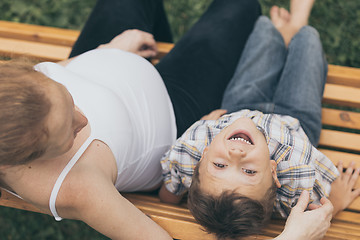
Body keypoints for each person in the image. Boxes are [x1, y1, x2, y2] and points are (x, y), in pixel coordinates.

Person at [0, 0, 338, 239]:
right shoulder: (74, 187)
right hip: (172, 108)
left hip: (115, 58)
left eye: (67, 96)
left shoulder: (11, 94)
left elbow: (53, 83)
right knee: (240, 6)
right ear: (34, 155)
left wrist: (102, 54)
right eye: (69, 133)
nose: (82, 118)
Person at [159, 0, 360, 239]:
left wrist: (204, 123)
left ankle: (282, 33)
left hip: (241, 105)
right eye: (249, 172)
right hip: (296, 119)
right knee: (308, 39)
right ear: (274, 172)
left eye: (219, 165)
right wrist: (335, 202)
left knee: (264, 29)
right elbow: (319, 211)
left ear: (202, 158)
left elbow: (168, 192)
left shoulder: (192, 146)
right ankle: (298, 24)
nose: (236, 154)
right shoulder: (300, 170)